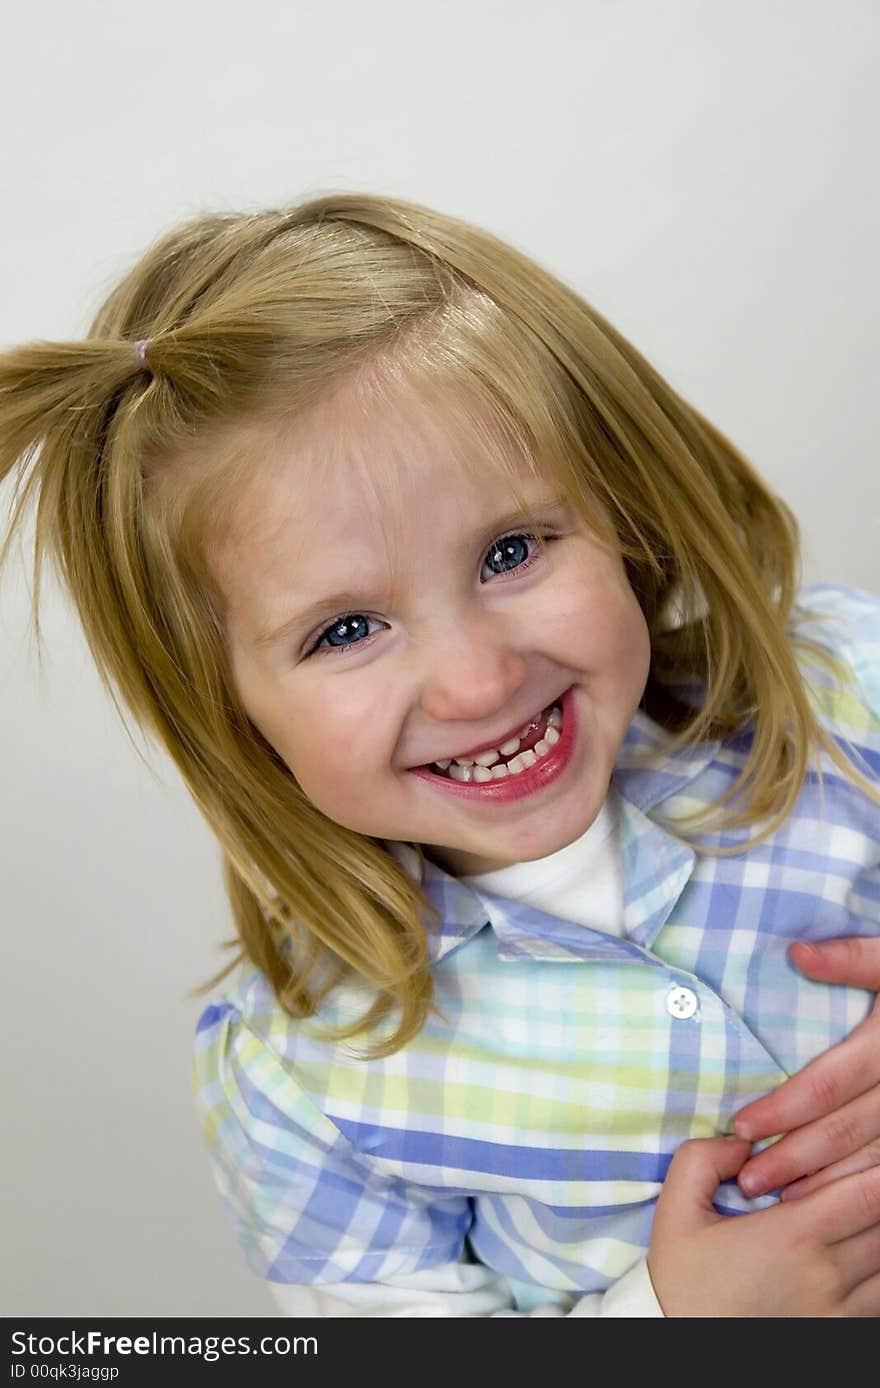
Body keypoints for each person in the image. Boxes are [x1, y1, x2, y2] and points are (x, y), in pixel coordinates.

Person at [1, 192, 878, 1317]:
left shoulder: (838, 695)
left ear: (616, 506)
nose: (478, 680)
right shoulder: (306, 1081)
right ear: (229, 708)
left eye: (510, 550)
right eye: (346, 630)